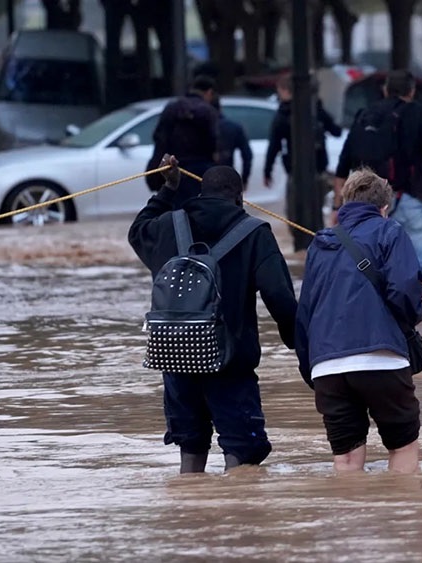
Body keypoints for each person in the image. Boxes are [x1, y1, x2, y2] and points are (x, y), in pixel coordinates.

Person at [128, 156, 298, 473]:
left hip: (177, 357)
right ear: (240, 197)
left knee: (190, 446)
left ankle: (192, 513)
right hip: (230, 362)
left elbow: (136, 231)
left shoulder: (167, 224)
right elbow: (279, 296)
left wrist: (167, 190)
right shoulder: (254, 232)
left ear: (201, 192)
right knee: (242, 453)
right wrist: (298, 343)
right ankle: (234, 515)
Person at [295, 168, 422, 473]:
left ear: (343, 203)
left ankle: (351, 516)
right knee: (402, 446)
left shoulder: (320, 243)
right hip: (382, 360)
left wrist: (311, 367)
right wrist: (411, 322)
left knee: (346, 458)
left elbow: (305, 312)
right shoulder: (390, 231)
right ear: (384, 208)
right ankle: (404, 518)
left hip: (327, 366)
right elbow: (404, 292)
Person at [334, 70, 422, 291]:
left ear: (385, 90)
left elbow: (343, 165)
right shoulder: (419, 113)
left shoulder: (365, 114)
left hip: (368, 203)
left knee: (374, 260)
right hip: (410, 196)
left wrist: (337, 207)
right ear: (412, 91)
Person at [264, 74, 343, 252]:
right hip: (318, 171)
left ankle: (304, 247)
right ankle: (319, 247)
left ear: (285, 91)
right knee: (316, 213)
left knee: (295, 214)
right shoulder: (315, 110)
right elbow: (337, 131)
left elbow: (274, 145)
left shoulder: (284, 114)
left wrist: (267, 170)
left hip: (298, 173)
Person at [144, 76, 218, 201]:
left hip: (173, 168)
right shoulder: (207, 110)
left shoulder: (172, 107)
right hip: (200, 170)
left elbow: (159, 137)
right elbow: (214, 143)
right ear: (209, 93)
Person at [211, 95, 253, 190]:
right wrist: (244, 179)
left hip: (202, 178)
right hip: (227, 177)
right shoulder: (234, 127)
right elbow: (247, 156)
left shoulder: (199, 128)